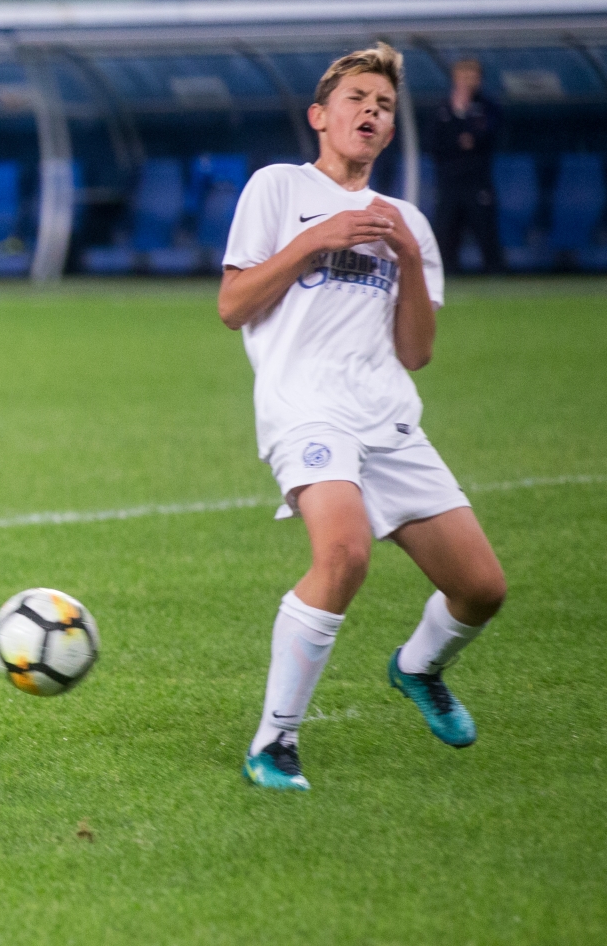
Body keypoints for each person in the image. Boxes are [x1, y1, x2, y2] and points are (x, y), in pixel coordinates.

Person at [217, 43, 507, 793]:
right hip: (305, 406)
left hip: (386, 416)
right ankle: (273, 743)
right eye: (356, 99)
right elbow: (233, 305)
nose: (371, 111)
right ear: (320, 116)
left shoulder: (405, 220)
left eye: (382, 104)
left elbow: (415, 352)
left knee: (481, 588)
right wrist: (316, 238)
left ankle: (418, 666)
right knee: (343, 554)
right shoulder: (278, 189)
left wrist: (408, 256)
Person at [427, 58, 503, 274]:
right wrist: (460, 132)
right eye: (463, 77)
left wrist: (464, 122)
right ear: (454, 79)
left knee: (486, 233)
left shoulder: (488, 107)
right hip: (449, 182)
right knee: (447, 234)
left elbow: (486, 136)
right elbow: (434, 144)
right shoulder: (442, 108)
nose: (468, 82)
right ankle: (446, 277)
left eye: (472, 77)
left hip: (478, 182)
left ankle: (496, 275)